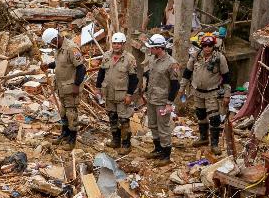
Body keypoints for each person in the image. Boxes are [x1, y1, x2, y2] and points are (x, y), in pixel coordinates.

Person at [183, 34, 231, 155]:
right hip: (197, 91)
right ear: (201, 46)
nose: (207, 48)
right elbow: (187, 72)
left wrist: (227, 94)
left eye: (210, 46)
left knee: (214, 118)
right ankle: (203, 138)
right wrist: (181, 87)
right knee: (200, 114)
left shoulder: (220, 58)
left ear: (213, 46)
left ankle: (214, 144)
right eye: (205, 46)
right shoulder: (195, 56)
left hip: (212, 92)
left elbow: (226, 77)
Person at [42, 27, 86, 147]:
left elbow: (81, 68)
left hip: (71, 87)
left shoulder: (71, 48)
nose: (51, 46)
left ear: (56, 39)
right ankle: (64, 134)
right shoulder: (59, 48)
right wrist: (48, 66)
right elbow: (60, 63)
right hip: (62, 87)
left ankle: (72, 140)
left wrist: (77, 85)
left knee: (71, 113)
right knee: (63, 112)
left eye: (51, 43)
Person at [96, 32, 139, 154]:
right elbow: (101, 73)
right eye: (114, 43)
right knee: (112, 117)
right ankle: (116, 140)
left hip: (122, 95)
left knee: (124, 120)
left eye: (118, 44)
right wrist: (98, 88)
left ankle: (126, 144)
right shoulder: (106, 56)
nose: (116, 46)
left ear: (123, 44)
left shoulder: (129, 59)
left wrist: (129, 94)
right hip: (109, 94)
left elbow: (134, 78)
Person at [143, 34, 181, 165]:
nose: (150, 50)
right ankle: (158, 149)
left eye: (152, 48)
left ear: (159, 48)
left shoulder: (171, 63)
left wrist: (170, 103)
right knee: (153, 125)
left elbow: (176, 85)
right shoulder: (153, 59)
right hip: (152, 99)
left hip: (162, 101)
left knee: (163, 127)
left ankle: (166, 155)